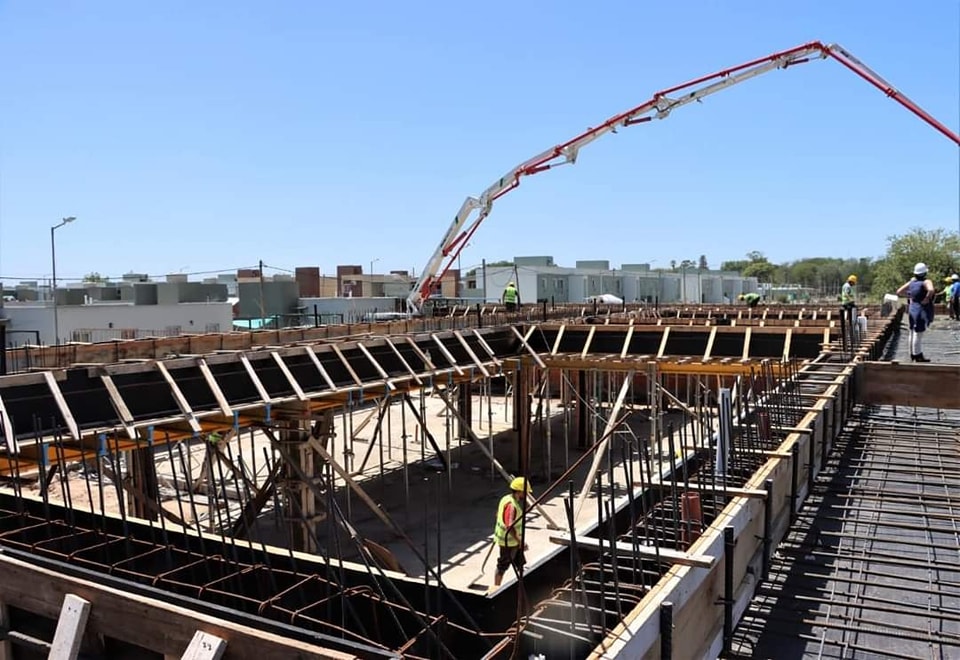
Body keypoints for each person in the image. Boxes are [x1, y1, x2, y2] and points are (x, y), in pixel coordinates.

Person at [492, 476, 531, 587]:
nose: (527, 494)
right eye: (525, 492)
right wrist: (520, 542)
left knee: (520, 563)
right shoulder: (511, 506)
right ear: (519, 491)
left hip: (513, 542)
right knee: (502, 567)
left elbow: (498, 514)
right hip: (509, 543)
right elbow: (510, 526)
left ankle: (523, 585)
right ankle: (496, 588)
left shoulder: (506, 498)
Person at [895, 262, 935, 362]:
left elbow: (899, 291)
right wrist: (926, 298)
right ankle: (918, 355)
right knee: (918, 333)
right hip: (921, 309)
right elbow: (931, 290)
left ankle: (912, 354)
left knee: (912, 331)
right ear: (924, 273)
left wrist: (910, 296)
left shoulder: (912, 282)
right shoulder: (926, 281)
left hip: (912, 309)